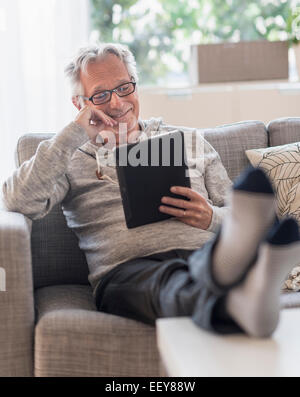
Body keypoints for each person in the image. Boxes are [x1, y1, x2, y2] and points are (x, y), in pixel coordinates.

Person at [2, 43, 300, 338]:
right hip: (127, 272)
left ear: (136, 86)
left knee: (205, 258)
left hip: (199, 252)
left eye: (124, 88)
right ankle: (230, 283)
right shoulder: (70, 157)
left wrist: (210, 218)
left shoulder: (188, 141)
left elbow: (241, 215)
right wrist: (73, 134)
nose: (117, 104)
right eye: (100, 95)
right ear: (80, 104)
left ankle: (230, 284)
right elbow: (16, 198)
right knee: (164, 284)